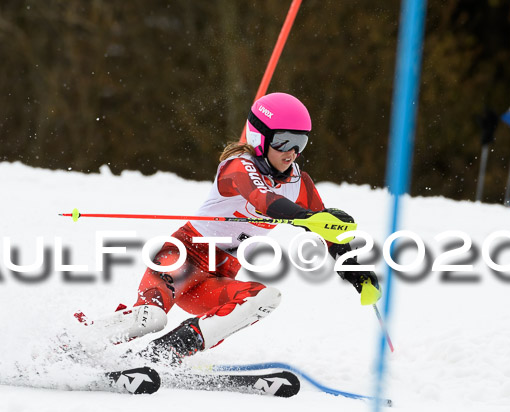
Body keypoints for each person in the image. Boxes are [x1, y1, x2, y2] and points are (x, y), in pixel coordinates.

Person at [97, 92, 380, 364]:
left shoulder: (299, 183)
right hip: (183, 258)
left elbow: (325, 231)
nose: (292, 151)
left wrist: (353, 267)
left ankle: (165, 353)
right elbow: (265, 200)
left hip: (219, 274)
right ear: (260, 137)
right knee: (151, 318)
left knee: (265, 298)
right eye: (283, 141)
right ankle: (75, 340)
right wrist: (305, 216)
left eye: (300, 142)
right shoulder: (237, 167)